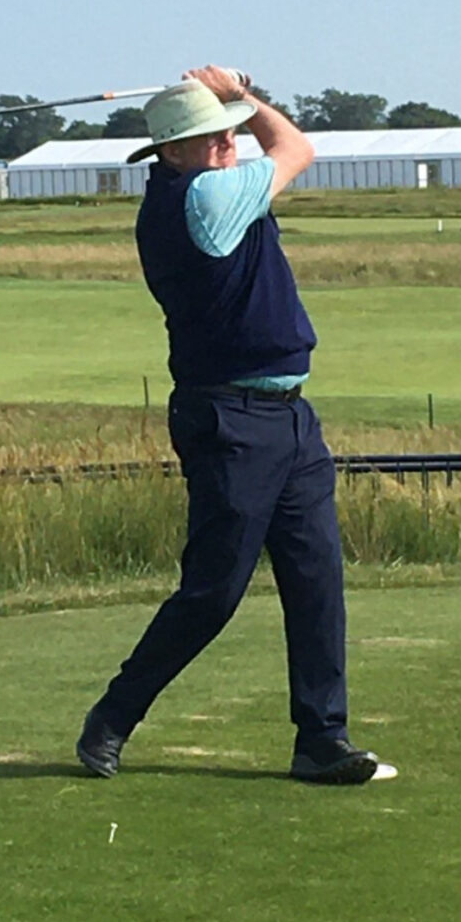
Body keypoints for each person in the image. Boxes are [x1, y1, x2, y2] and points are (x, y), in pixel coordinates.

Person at [74, 67, 392, 786]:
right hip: (231, 419)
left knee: (316, 579)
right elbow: (296, 148)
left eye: (226, 133)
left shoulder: (199, 185)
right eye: (209, 137)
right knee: (214, 591)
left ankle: (322, 740)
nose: (226, 144)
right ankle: (112, 717)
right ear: (172, 153)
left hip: (288, 416)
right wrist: (242, 97)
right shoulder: (206, 196)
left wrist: (228, 102)